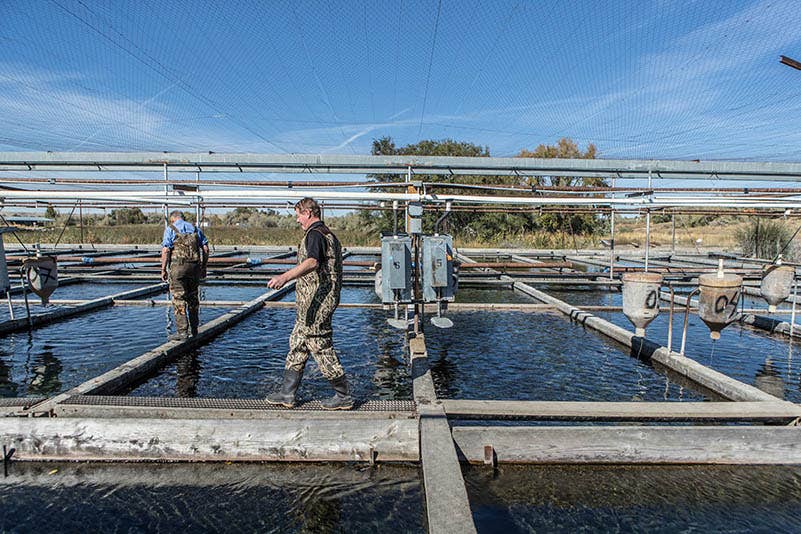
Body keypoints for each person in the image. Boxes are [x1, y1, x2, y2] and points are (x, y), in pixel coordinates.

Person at [266, 197, 352, 410]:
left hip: (318, 300)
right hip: (312, 300)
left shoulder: (315, 234)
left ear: (308, 213)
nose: (297, 221)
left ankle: (343, 396)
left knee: (319, 343)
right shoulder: (325, 234)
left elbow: (312, 262)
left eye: (298, 215)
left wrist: (284, 277)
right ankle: (287, 394)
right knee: (298, 342)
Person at [160, 210, 209, 341]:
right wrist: (203, 267)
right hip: (194, 268)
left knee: (179, 299)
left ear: (173, 219)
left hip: (178, 268)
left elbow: (166, 250)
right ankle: (194, 329)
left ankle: (182, 332)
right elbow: (205, 249)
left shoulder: (170, 229)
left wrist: (163, 269)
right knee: (193, 298)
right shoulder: (194, 228)